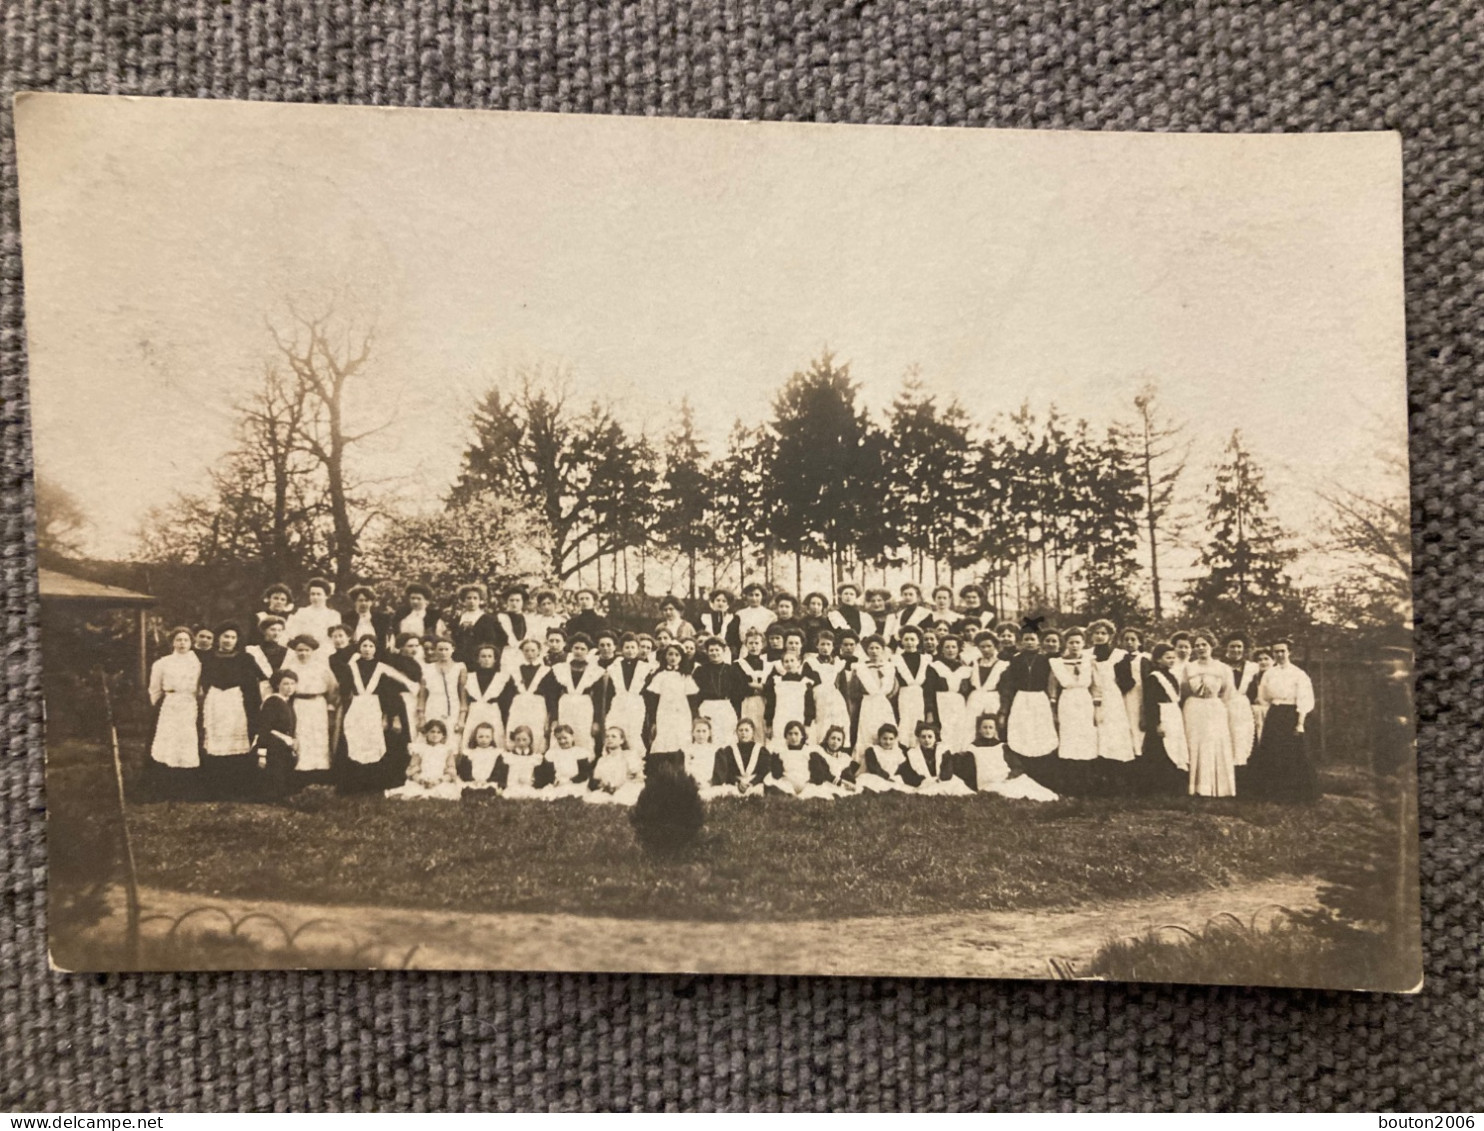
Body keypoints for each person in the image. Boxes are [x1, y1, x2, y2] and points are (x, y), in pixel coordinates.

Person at [336, 634, 419, 793]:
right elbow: (344, 690)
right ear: (359, 647)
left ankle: (373, 785)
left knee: (375, 744)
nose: (367, 649)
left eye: (371, 646)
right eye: (364, 646)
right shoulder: (351, 667)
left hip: (375, 709)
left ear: (376, 649)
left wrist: (389, 715)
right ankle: (352, 786)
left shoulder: (382, 667)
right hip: (357, 708)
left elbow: (391, 692)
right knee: (354, 742)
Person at [1245, 639, 1319, 803]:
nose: (1279, 655)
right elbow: (1263, 695)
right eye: (1276, 652)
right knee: (1272, 751)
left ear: (1289, 652)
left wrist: (1300, 723)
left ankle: (1296, 794)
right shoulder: (1270, 673)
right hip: (1275, 713)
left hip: (1291, 713)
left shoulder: (1298, 674)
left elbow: (1304, 699)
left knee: (1292, 752)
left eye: (1282, 651)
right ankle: (1273, 793)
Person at [199, 623, 261, 796]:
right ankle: (215, 787)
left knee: (235, 739)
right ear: (219, 637)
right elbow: (203, 680)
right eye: (226, 636)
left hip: (235, 701)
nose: (229, 641)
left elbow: (257, 681)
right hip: (215, 700)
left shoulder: (245, 658)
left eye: (233, 637)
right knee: (215, 739)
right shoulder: (209, 658)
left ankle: (237, 787)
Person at [145, 626, 203, 797]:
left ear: (192, 642)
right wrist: (159, 704)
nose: (182, 643)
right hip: (169, 704)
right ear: (172, 642)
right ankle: (165, 784)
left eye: (186, 640)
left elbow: (200, 688)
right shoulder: (162, 663)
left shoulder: (197, 663)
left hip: (189, 704)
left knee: (187, 741)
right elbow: (154, 688)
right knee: (168, 741)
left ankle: (185, 786)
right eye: (178, 640)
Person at [949, 715, 1059, 800]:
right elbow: (967, 769)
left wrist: (1010, 776)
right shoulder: (972, 747)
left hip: (1004, 777)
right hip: (986, 782)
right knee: (1001, 790)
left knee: (1026, 786)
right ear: (979, 730)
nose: (988, 730)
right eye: (985, 727)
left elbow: (1016, 765)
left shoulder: (1001, 746)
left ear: (995, 730)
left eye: (991, 727)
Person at [1182, 631, 1236, 798]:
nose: (1200, 648)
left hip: (1214, 708)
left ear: (1211, 646)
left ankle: (1218, 788)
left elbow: (1227, 691)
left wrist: (1216, 703)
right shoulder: (1189, 667)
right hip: (1193, 708)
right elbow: (1183, 689)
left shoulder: (1223, 668)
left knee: (1214, 743)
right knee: (1194, 743)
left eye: (1204, 644)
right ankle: (1196, 787)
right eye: (1197, 645)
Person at [282, 633, 337, 780]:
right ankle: (300, 773)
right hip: (298, 704)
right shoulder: (290, 668)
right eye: (300, 650)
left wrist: (331, 705)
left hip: (317, 704)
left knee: (318, 736)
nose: (303, 653)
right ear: (295, 651)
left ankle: (320, 773)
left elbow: (332, 688)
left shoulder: (321, 668)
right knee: (300, 735)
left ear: (313, 651)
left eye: (307, 650)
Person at [1001, 620, 1057, 763]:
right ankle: (1022, 759)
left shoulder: (1045, 659)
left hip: (1039, 697)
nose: (1029, 642)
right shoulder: (1016, 659)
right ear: (1021, 641)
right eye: (1026, 639)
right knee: (1022, 727)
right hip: (1021, 697)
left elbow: (1050, 681)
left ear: (1038, 642)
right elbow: (1011, 681)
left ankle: (1040, 759)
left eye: (1033, 639)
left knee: (1039, 727)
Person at [1139, 643, 1189, 796]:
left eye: (1173, 658)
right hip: (1162, 714)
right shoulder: (1154, 678)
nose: (1171, 660)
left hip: (1173, 714)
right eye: (1168, 658)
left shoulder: (1172, 676)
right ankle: (1159, 788)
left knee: (1176, 746)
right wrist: (1156, 723)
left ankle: (1174, 786)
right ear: (1158, 660)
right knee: (1161, 749)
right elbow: (1150, 703)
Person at [1088, 620, 1135, 767]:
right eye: (1097, 633)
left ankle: (1115, 770)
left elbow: (1128, 681)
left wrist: (1112, 691)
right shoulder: (1086, 655)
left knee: (1113, 734)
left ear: (1110, 636)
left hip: (1113, 699)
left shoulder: (1119, 655)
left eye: (1104, 633)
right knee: (1094, 734)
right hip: (1090, 697)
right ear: (1091, 635)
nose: (1100, 636)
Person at [543, 633, 603, 748]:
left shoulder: (596, 671)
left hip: (585, 709)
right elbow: (552, 696)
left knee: (583, 738)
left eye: (582, 649)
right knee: (562, 737)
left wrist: (596, 721)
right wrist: (554, 718)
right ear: (571, 649)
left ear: (587, 651)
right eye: (576, 648)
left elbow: (599, 699)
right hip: (565, 707)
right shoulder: (559, 668)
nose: (579, 651)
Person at [1048, 627, 1098, 765]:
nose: (1074, 646)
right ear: (1066, 644)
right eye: (1071, 643)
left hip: (1085, 700)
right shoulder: (1057, 663)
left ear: (1083, 643)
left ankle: (1087, 767)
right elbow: (1052, 686)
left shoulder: (1090, 661)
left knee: (1086, 732)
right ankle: (1070, 767)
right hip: (1067, 700)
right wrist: (1053, 706)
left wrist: (1096, 704)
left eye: (1077, 642)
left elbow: (1095, 684)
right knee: (1069, 732)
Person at [388, 719, 462, 801]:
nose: (435, 735)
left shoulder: (447, 750)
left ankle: (431, 794)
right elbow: (412, 770)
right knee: (413, 790)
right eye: (432, 732)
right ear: (426, 733)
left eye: (438, 732)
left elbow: (451, 771)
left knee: (446, 790)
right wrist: (421, 781)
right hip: (423, 779)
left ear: (443, 735)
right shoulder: (420, 749)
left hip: (439, 779)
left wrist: (438, 781)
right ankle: (423, 793)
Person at [254, 668, 300, 801]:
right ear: (277, 685)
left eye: (292, 684)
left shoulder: (287, 701)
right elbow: (264, 728)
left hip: (283, 746)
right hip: (272, 746)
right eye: (285, 684)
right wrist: (262, 755)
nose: (289, 687)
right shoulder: (272, 701)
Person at [501, 638, 552, 755]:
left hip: (537, 707)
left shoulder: (546, 671)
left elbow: (550, 695)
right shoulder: (515, 670)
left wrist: (549, 716)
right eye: (526, 650)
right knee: (517, 731)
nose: (530, 654)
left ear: (539, 651)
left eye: (533, 650)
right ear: (522, 652)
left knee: (536, 733)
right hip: (518, 706)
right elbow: (508, 694)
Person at [645, 644, 699, 753]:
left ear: (681, 658)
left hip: (682, 713)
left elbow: (692, 701)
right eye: (670, 654)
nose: (673, 658)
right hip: (664, 713)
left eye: (677, 655)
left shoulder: (685, 677)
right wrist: (653, 721)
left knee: (682, 738)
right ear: (665, 657)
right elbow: (653, 701)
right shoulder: (660, 676)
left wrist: (695, 719)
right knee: (665, 739)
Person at [604, 634, 651, 756]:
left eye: (633, 647)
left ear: (638, 649)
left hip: (637, 705)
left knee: (635, 734)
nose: (630, 651)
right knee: (617, 731)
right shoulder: (614, 668)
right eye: (627, 647)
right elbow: (609, 693)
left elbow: (648, 693)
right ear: (621, 649)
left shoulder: (645, 668)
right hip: (618, 704)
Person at [925, 634, 973, 753]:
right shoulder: (934, 667)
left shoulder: (966, 669)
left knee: (959, 734)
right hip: (940, 704)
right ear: (941, 649)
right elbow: (929, 691)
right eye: (947, 647)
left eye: (953, 647)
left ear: (958, 649)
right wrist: (930, 712)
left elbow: (969, 692)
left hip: (959, 706)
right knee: (943, 733)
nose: (950, 650)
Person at [851, 635, 898, 754]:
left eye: (877, 648)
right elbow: (854, 689)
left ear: (883, 650)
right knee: (867, 732)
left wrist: (884, 698)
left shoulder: (889, 667)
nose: (874, 651)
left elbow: (894, 688)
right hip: (868, 704)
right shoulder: (860, 668)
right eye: (871, 648)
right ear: (866, 650)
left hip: (884, 704)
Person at [691, 636, 742, 744]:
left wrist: (736, 712)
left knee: (727, 738)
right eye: (711, 650)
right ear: (707, 652)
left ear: (723, 651)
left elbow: (737, 694)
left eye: (717, 650)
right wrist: (696, 714)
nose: (714, 653)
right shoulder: (700, 671)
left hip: (726, 707)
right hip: (707, 707)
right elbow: (694, 695)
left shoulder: (731, 670)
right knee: (709, 737)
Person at [805, 630, 851, 747]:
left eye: (828, 644)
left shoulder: (839, 664)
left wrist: (848, 709)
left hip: (836, 703)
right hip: (819, 702)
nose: (825, 647)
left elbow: (844, 690)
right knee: (820, 730)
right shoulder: (810, 663)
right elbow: (807, 690)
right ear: (817, 645)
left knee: (837, 728)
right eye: (822, 644)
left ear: (833, 646)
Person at [1223, 634, 1261, 766]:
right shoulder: (1219, 666)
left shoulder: (1252, 667)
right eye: (1232, 646)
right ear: (1226, 648)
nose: (1236, 649)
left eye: (1239, 646)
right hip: (1223, 707)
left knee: (1243, 740)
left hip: (1243, 709)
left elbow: (1255, 691)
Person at [463, 644, 509, 752]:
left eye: (489, 656)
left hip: (493, 711)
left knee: (496, 738)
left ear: (495, 659)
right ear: (477, 659)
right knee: (470, 737)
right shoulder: (470, 677)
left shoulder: (502, 677)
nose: (486, 659)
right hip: (474, 711)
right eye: (483, 656)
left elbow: (505, 703)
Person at [420, 636, 467, 741]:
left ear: (453, 649)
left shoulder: (460, 667)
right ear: (435, 650)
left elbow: (462, 694)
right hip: (432, 706)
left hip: (453, 708)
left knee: (452, 739)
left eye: (446, 649)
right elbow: (423, 694)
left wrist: (461, 718)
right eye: (440, 649)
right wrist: (422, 717)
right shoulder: (427, 668)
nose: (443, 652)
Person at [709, 717, 770, 797]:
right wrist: (737, 782)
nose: (743, 733)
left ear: (753, 732)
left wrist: (752, 783)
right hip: (735, 784)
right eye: (740, 730)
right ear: (736, 732)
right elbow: (726, 771)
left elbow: (765, 771)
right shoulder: (729, 750)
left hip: (755, 784)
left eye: (746, 730)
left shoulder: (761, 750)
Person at [585, 725, 646, 806]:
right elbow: (598, 780)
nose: (609, 739)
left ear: (622, 740)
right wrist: (605, 786)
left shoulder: (629, 755)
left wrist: (622, 785)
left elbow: (639, 777)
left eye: (613, 736)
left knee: (621, 797)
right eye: (607, 737)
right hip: (609, 789)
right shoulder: (602, 760)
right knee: (594, 797)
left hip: (627, 786)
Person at [1114, 627, 1152, 753]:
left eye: (1133, 639)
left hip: (1139, 698)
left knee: (1138, 731)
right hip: (1123, 698)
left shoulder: (1144, 660)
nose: (1129, 642)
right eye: (1126, 640)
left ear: (1139, 642)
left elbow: (1148, 683)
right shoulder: (1117, 660)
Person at [892, 626, 931, 745]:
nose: (909, 643)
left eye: (912, 639)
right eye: (906, 639)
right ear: (902, 641)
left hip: (920, 696)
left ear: (918, 641)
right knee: (904, 723)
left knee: (919, 722)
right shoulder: (895, 659)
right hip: (903, 696)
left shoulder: (926, 659)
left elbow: (929, 685)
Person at [764, 652, 815, 743]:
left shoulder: (805, 682)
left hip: (798, 717)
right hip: (780, 718)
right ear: (782, 664)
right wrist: (769, 724)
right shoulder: (776, 681)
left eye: (792, 661)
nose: (789, 664)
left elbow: (809, 705)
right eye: (786, 661)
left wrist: (807, 725)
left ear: (799, 662)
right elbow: (771, 703)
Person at [450, 584, 504, 668]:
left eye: (475, 598)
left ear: (480, 600)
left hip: (480, 662)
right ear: (463, 600)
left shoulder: (490, 619)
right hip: (460, 661)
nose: (472, 601)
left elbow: (501, 640)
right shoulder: (457, 619)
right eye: (469, 598)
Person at [534, 723, 595, 798]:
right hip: (558, 782)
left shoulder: (580, 752)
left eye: (565, 738)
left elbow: (584, 774)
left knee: (568, 791)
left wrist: (569, 781)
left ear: (572, 737)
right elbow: (548, 773)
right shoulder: (552, 753)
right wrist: (554, 780)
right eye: (559, 739)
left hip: (575, 782)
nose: (562, 741)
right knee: (548, 792)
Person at [284, 578, 342, 650]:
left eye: (319, 594)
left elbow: (332, 637)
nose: (315, 597)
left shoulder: (333, 615)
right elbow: (293, 632)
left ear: (326, 596)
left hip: (324, 650)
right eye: (312, 594)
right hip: (303, 649)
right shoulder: (301, 612)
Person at [964, 633, 1007, 728]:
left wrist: (1003, 711)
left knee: (991, 726)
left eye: (989, 646)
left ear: (995, 646)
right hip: (975, 699)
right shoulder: (973, 663)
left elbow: (1005, 690)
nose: (986, 649)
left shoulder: (1003, 665)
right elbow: (967, 686)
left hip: (993, 699)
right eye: (982, 647)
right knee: (971, 726)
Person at [734, 629, 771, 740]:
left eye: (757, 643)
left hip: (764, 703)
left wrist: (754, 686)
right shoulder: (738, 665)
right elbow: (738, 686)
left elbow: (771, 688)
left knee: (762, 732)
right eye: (750, 643)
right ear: (746, 644)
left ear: (762, 645)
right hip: (746, 703)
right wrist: (759, 688)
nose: (754, 646)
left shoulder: (769, 665)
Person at [804, 724, 859, 799]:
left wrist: (849, 783)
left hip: (837, 785)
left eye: (839, 739)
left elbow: (847, 774)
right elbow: (822, 773)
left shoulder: (843, 757)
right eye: (833, 738)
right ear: (827, 739)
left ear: (842, 743)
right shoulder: (818, 751)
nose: (835, 742)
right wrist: (842, 782)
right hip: (822, 782)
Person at [766, 720, 815, 797]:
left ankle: (802, 795)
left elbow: (816, 771)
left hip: (805, 783)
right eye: (790, 734)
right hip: (786, 782)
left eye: (796, 734)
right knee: (771, 781)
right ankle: (790, 794)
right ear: (786, 735)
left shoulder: (809, 751)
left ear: (802, 735)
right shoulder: (780, 751)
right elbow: (776, 773)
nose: (793, 737)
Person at [857, 723, 911, 792]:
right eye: (884, 738)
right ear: (879, 738)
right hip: (877, 777)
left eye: (891, 739)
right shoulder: (872, 750)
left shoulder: (898, 752)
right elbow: (873, 767)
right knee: (867, 779)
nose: (888, 742)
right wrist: (887, 776)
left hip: (893, 778)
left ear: (895, 739)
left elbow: (903, 769)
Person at [495, 725, 545, 798]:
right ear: (514, 740)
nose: (521, 743)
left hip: (529, 787)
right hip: (511, 787)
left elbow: (541, 778)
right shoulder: (507, 757)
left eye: (524, 740)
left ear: (530, 740)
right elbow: (501, 775)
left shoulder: (536, 758)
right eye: (518, 740)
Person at [246, 616, 289, 700]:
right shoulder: (253, 651)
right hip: (259, 691)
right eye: (272, 630)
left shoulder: (287, 652)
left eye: (279, 630)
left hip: (281, 691)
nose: (276, 633)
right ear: (264, 631)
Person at [344, 586, 393, 653]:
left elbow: (384, 641)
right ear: (355, 602)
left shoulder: (381, 618)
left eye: (367, 600)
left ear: (371, 602)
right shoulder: (346, 618)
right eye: (360, 600)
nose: (363, 603)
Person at [495, 587, 532, 674]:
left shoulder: (529, 619)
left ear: (522, 602)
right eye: (511, 600)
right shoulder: (500, 618)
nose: (514, 603)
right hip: (506, 655)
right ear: (507, 602)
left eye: (517, 600)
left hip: (524, 655)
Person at [696, 590, 741, 659]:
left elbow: (735, 638)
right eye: (718, 600)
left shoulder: (734, 619)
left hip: (726, 651)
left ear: (728, 604)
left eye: (724, 601)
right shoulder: (704, 617)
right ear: (712, 602)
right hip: (707, 650)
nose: (720, 603)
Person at [682, 717, 721, 794]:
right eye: (698, 731)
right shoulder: (686, 750)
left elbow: (719, 774)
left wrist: (709, 783)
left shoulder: (716, 750)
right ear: (693, 733)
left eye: (704, 731)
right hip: (690, 787)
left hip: (710, 787)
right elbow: (682, 771)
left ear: (709, 733)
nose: (701, 734)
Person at [458, 721, 502, 785]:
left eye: (487, 737)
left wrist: (487, 781)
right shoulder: (469, 753)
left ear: (492, 738)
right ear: (475, 737)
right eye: (481, 736)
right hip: (472, 782)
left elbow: (498, 772)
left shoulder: (496, 753)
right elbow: (464, 772)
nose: (484, 740)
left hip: (489, 783)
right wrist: (472, 781)